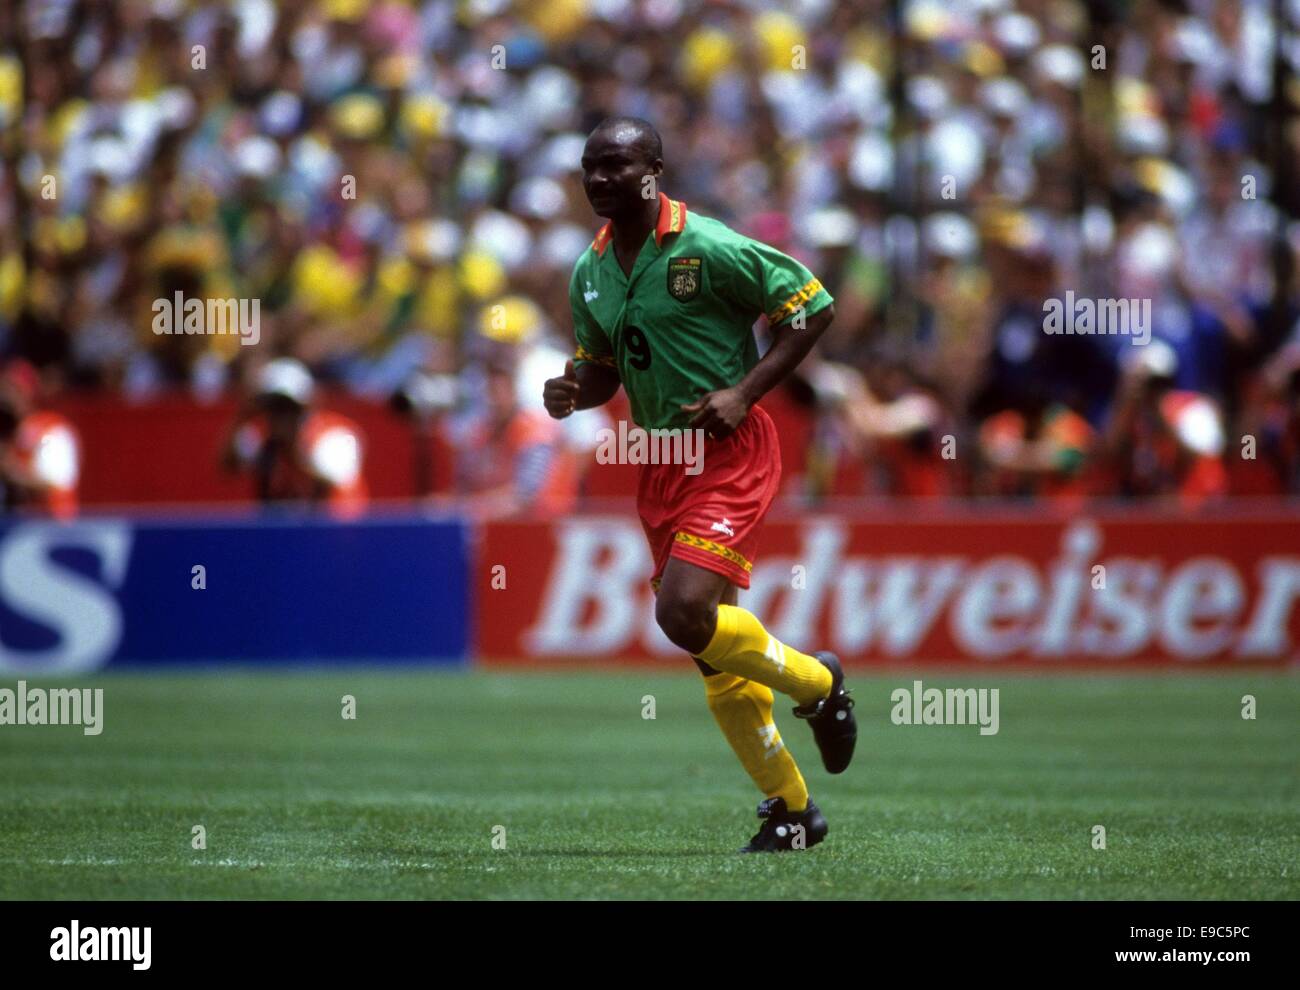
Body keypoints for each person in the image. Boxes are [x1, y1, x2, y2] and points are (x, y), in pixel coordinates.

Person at [542, 117, 856, 852]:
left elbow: (812, 307)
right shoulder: (588, 271)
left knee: (682, 613)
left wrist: (745, 391)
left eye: (615, 166)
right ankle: (792, 812)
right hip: (659, 461)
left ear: (653, 170)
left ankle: (819, 685)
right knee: (712, 653)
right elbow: (604, 369)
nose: (598, 180)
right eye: (590, 168)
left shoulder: (706, 246)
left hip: (729, 452)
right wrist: (571, 391)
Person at [221, 358, 367, 518]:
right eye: (273, 408)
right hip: (281, 535)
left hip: (336, 533)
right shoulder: (264, 438)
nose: (280, 417)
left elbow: (336, 478)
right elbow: (228, 464)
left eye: (288, 408)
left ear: (306, 407)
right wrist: (241, 418)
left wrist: (293, 445)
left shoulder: (335, 435)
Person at [0, 361, 80, 519]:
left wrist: (11, 470)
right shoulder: (9, 434)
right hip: (15, 521)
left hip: (48, 523)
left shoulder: (52, 427)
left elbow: (57, 480)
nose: (6, 398)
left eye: (13, 390)